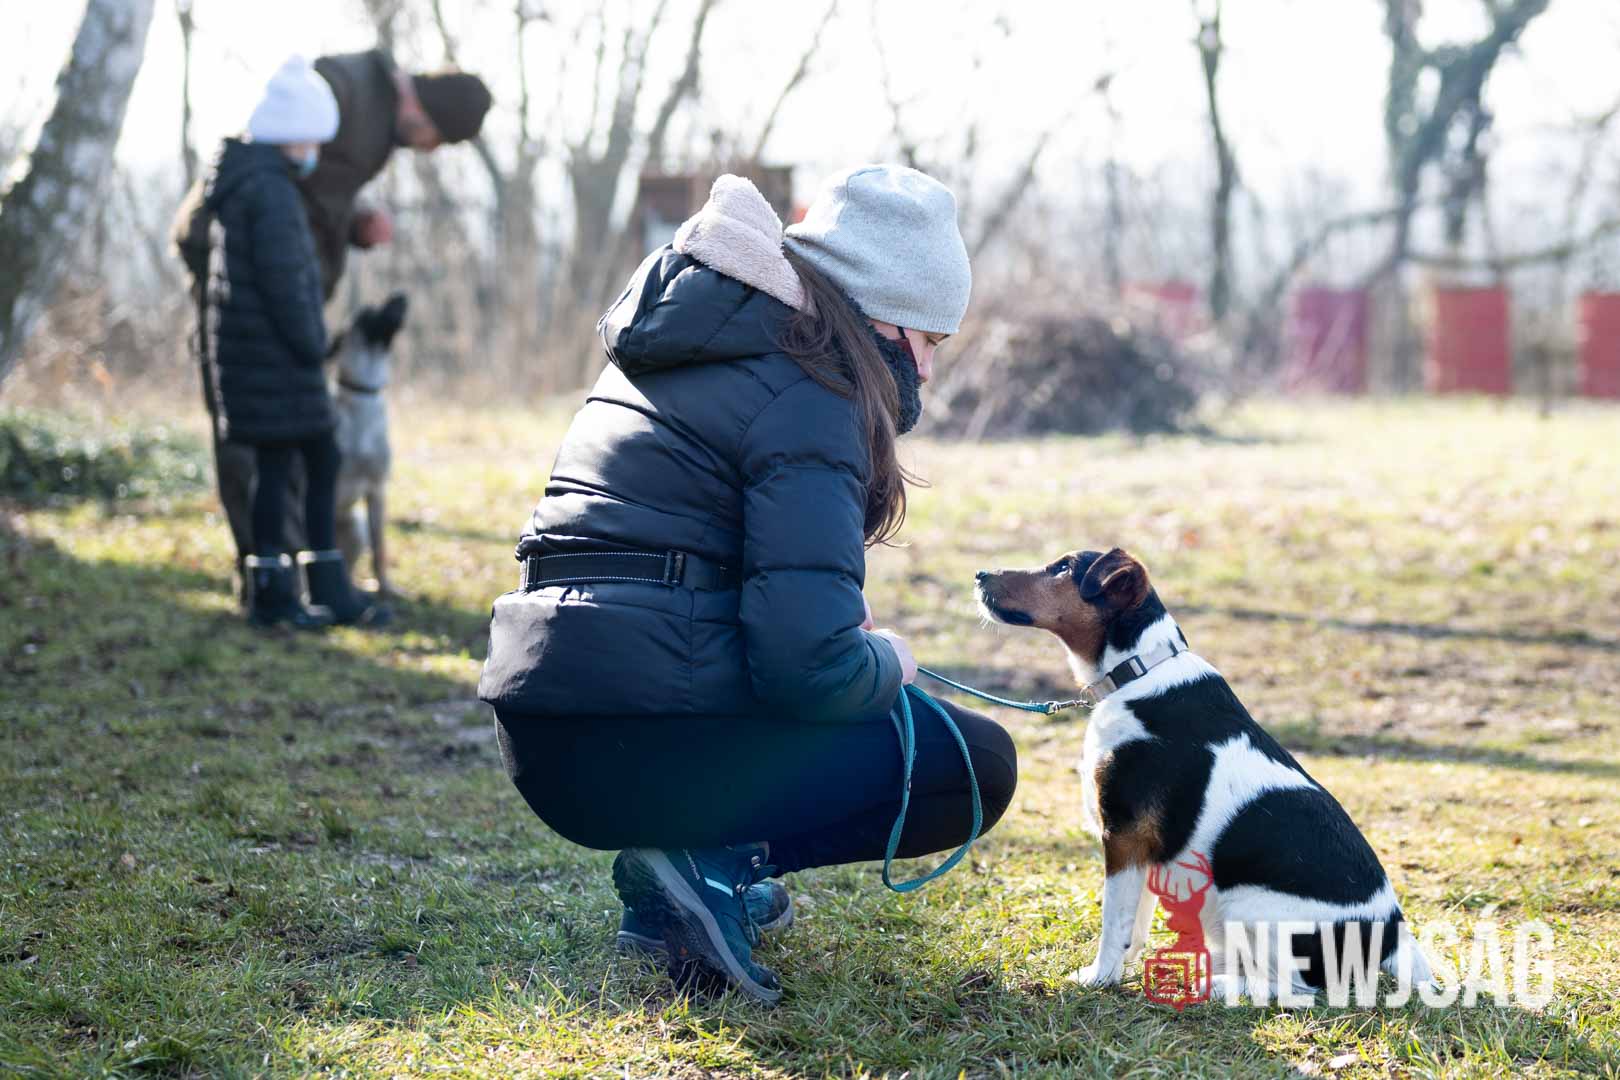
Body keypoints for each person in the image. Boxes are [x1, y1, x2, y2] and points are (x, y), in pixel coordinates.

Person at [479, 167, 1019, 1004]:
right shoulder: (813, 386)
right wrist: (889, 658)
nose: (928, 371)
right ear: (884, 315)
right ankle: (707, 862)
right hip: (638, 733)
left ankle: (691, 880)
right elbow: (811, 669)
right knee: (973, 763)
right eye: (930, 340)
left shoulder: (695, 337)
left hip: (544, 732)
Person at [172, 48, 492, 602]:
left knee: (292, 434)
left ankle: (300, 574)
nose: (427, 150)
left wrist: (354, 223)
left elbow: (316, 194)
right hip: (240, 267)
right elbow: (273, 168)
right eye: (434, 139)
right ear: (422, 113)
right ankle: (267, 579)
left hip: (288, 285)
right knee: (254, 425)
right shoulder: (344, 86)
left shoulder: (377, 121)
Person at [200, 57, 384, 628]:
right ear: (291, 133)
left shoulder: (247, 182)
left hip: (257, 358)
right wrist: (313, 345)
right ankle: (319, 588)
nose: (316, 150)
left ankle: (275, 591)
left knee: (277, 468)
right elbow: (287, 284)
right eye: (313, 138)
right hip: (279, 358)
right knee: (318, 458)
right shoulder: (272, 194)